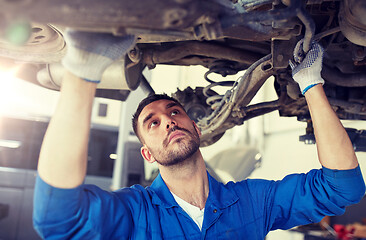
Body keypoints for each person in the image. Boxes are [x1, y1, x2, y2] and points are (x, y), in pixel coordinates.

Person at [32, 29, 365, 239]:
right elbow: (58, 221)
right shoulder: (135, 214)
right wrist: (83, 70)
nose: (167, 121)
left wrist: (311, 84)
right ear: (147, 153)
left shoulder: (252, 202)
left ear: (195, 126)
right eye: (153, 123)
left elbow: (343, 188)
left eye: (174, 112)